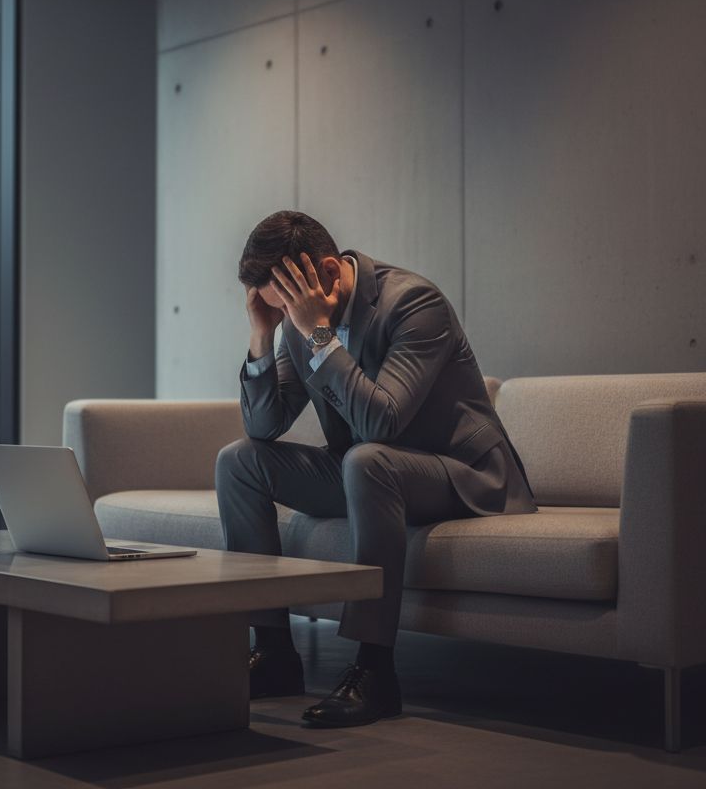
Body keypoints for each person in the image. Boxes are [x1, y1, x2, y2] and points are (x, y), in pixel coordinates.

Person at [215, 210, 537, 728]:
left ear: (322, 273)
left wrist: (320, 335)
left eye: (284, 301)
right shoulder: (297, 325)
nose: (284, 314)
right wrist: (262, 337)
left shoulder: (414, 304)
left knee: (367, 459)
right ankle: (273, 652)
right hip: (369, 474)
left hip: (462, 474)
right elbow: (262, 427)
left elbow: (381, 422)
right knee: (239, 462)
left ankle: (374, 671)